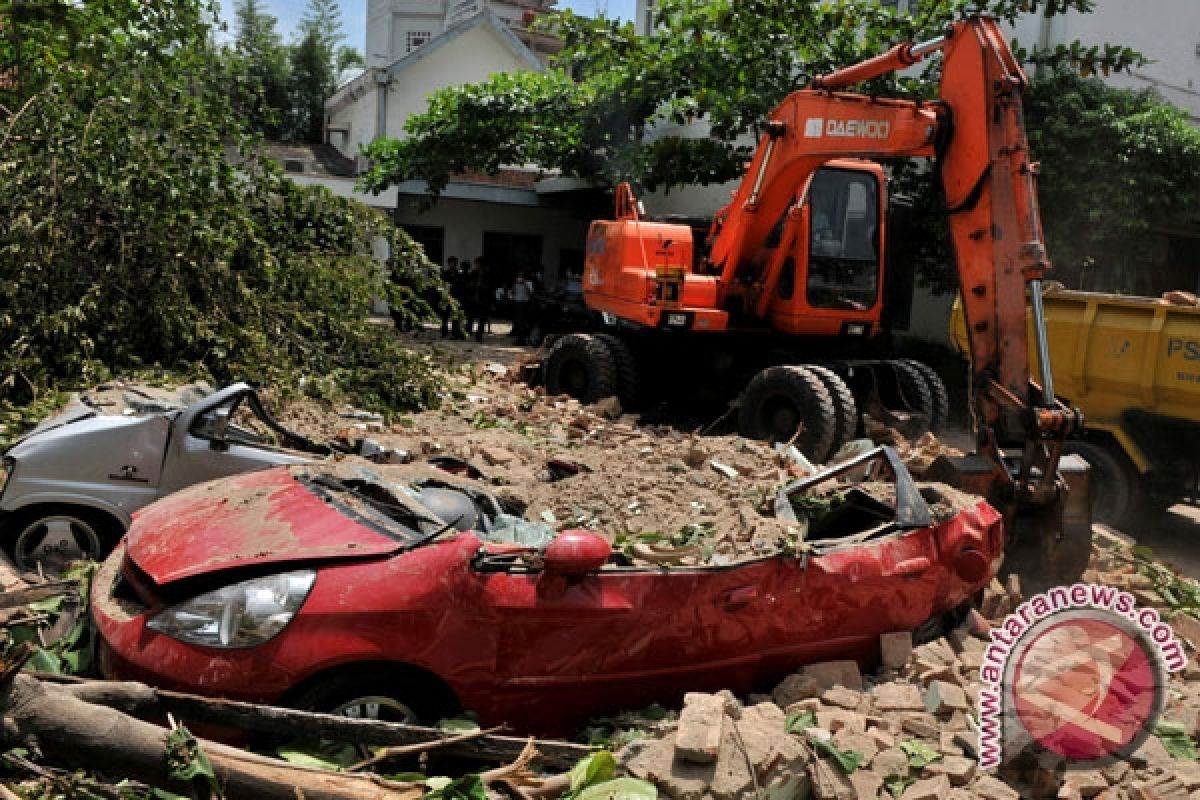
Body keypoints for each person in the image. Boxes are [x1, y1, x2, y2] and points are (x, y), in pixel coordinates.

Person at [464, 257, 490, 342]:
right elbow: (468, 284)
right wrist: (473, 285)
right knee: (470, 316)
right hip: (473, 297)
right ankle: (468, 331)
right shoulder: (473, 273)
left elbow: (490, 286)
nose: (476, 265)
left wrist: (482, 286)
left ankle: (479, 335)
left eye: (477, 264)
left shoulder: (487, 274)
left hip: (483, 298)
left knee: (482, 318)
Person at [440, 257, 466, 339]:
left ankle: (454, 333)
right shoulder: (445, 273)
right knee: (444, 316)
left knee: (455, 316)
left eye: (454, 263)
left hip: (455, 296)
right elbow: (443, 284)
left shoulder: (459, 274)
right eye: (451, 262)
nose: (453, 264)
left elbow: (461, 285)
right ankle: (444, 332)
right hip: (447, 296)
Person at [510, 271, 534, 342]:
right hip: (517, 302)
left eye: (521, 276)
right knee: (517, 320)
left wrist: (524, 284)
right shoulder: (516, 284)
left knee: (522, 321)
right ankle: (518, 336)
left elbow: (530, 293)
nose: (519, 278)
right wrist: (514, 287)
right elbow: (513, 293)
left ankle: (522, 338)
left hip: (524, 303)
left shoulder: (529, 283)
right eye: (519, 276)